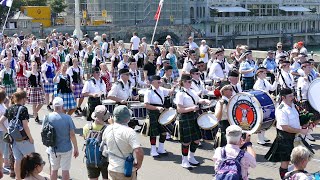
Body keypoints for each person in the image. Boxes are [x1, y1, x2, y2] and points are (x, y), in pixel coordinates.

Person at [265, 88, 309, 179]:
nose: (292, 97)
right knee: (285, 161)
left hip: (294, 135)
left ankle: (293, 175)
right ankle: (284, 178)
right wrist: (301, 131)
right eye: (290, 96)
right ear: (283, 97)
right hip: (284, 137)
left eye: (292, 95)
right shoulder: (281, 109)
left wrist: (305, 123)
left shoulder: (292, 105)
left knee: (299, 158)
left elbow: (296, 119)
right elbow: (285, 127)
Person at [175, 74, 211, 169]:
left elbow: (198, 100)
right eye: (188, 81)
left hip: (194, 116)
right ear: (183, 82)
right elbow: (179, 109)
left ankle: (191, 157)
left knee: (197, 139)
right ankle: (184, 160)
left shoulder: (192, 91)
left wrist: (205, 101)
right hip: (185, 117)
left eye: (191, 81)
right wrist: (191, 108)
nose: (190, 83)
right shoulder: (180, 93)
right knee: (186, 141)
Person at [102, 105, 144, 180]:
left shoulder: (108, 129)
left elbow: (104, 146)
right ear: (127, 118)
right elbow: (139, 151)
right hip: (126, 170)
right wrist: (139, 164)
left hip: (112, 168)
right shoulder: (129, 131)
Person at [0, 91, 35, 180]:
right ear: (23, 99)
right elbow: (25, 126)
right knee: (32, 159)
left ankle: (18, 178)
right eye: (26, 98)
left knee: (18, 160)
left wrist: (7, 131)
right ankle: (31, 178)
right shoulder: (23, 109)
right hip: (24, 139)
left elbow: (0, 121)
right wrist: (30, 138)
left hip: (14, 139)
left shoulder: (9, 108)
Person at [43, 97, 79, 180]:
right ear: (62, 106)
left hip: (53, 148)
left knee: (54, 170)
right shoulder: (68, 118)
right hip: (66, 148)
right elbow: (72, 134)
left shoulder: (47, 117)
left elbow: (44, 132)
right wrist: (76, 148)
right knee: (65, 170)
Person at [144, 75, 173, 158]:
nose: (160, 82)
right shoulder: (148, 92)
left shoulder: (161, 89)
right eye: (158, 81)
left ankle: (161, 148)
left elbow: (170, 92)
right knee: (153, 132)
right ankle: (153, 150)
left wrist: (175, 86)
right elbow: (146, 105)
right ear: (153, 82)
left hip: (161, 112)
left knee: (163, 130)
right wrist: (156, 108)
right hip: (153, 112)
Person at [83, 105, 109, 180]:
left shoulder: (86, 127)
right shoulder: (108, 129)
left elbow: (85, 139)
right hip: (105, 159)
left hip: (91, 158)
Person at [253, 67, 278, 145]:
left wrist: (276, 81)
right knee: (262, 120)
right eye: (264, 73)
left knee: (266, 119)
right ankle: (260, 138)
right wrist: (269, 95)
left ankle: (263, 136)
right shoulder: (257, 83)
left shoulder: (265, 81)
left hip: (266, 101)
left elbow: (272, 88)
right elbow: (259, 92)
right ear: (259, 73)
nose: (265, 74)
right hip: (261, 103)